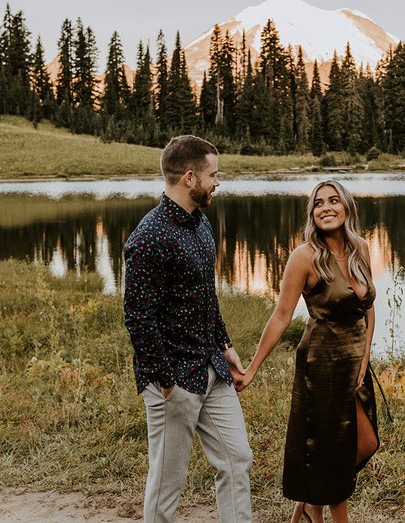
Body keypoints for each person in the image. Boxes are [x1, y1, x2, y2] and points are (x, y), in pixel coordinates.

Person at [123, 134, 253, 523]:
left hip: (212, 369)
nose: (218, 182)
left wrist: (225, 345)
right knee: (168, 484)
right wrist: (165, 381)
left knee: (237, 460)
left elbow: (205, 297)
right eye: (214, 175)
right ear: (190, 177)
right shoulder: (148, 237)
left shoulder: (200, 225)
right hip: (173, 380)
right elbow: (138, 318)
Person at [237, 179, 379, 523]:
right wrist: (253, 367)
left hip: (354, 363)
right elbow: (281, 315)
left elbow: (368, 309)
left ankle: (310, 500)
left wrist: (365, 357)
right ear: (312, 213)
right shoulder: (305, 257)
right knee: (332, 447)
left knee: (365, 442)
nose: (326, 207)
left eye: (333, 200)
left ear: (347, 207)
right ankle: (324, 509)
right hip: (322, 362)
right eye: (318, 203)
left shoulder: (360, 246)